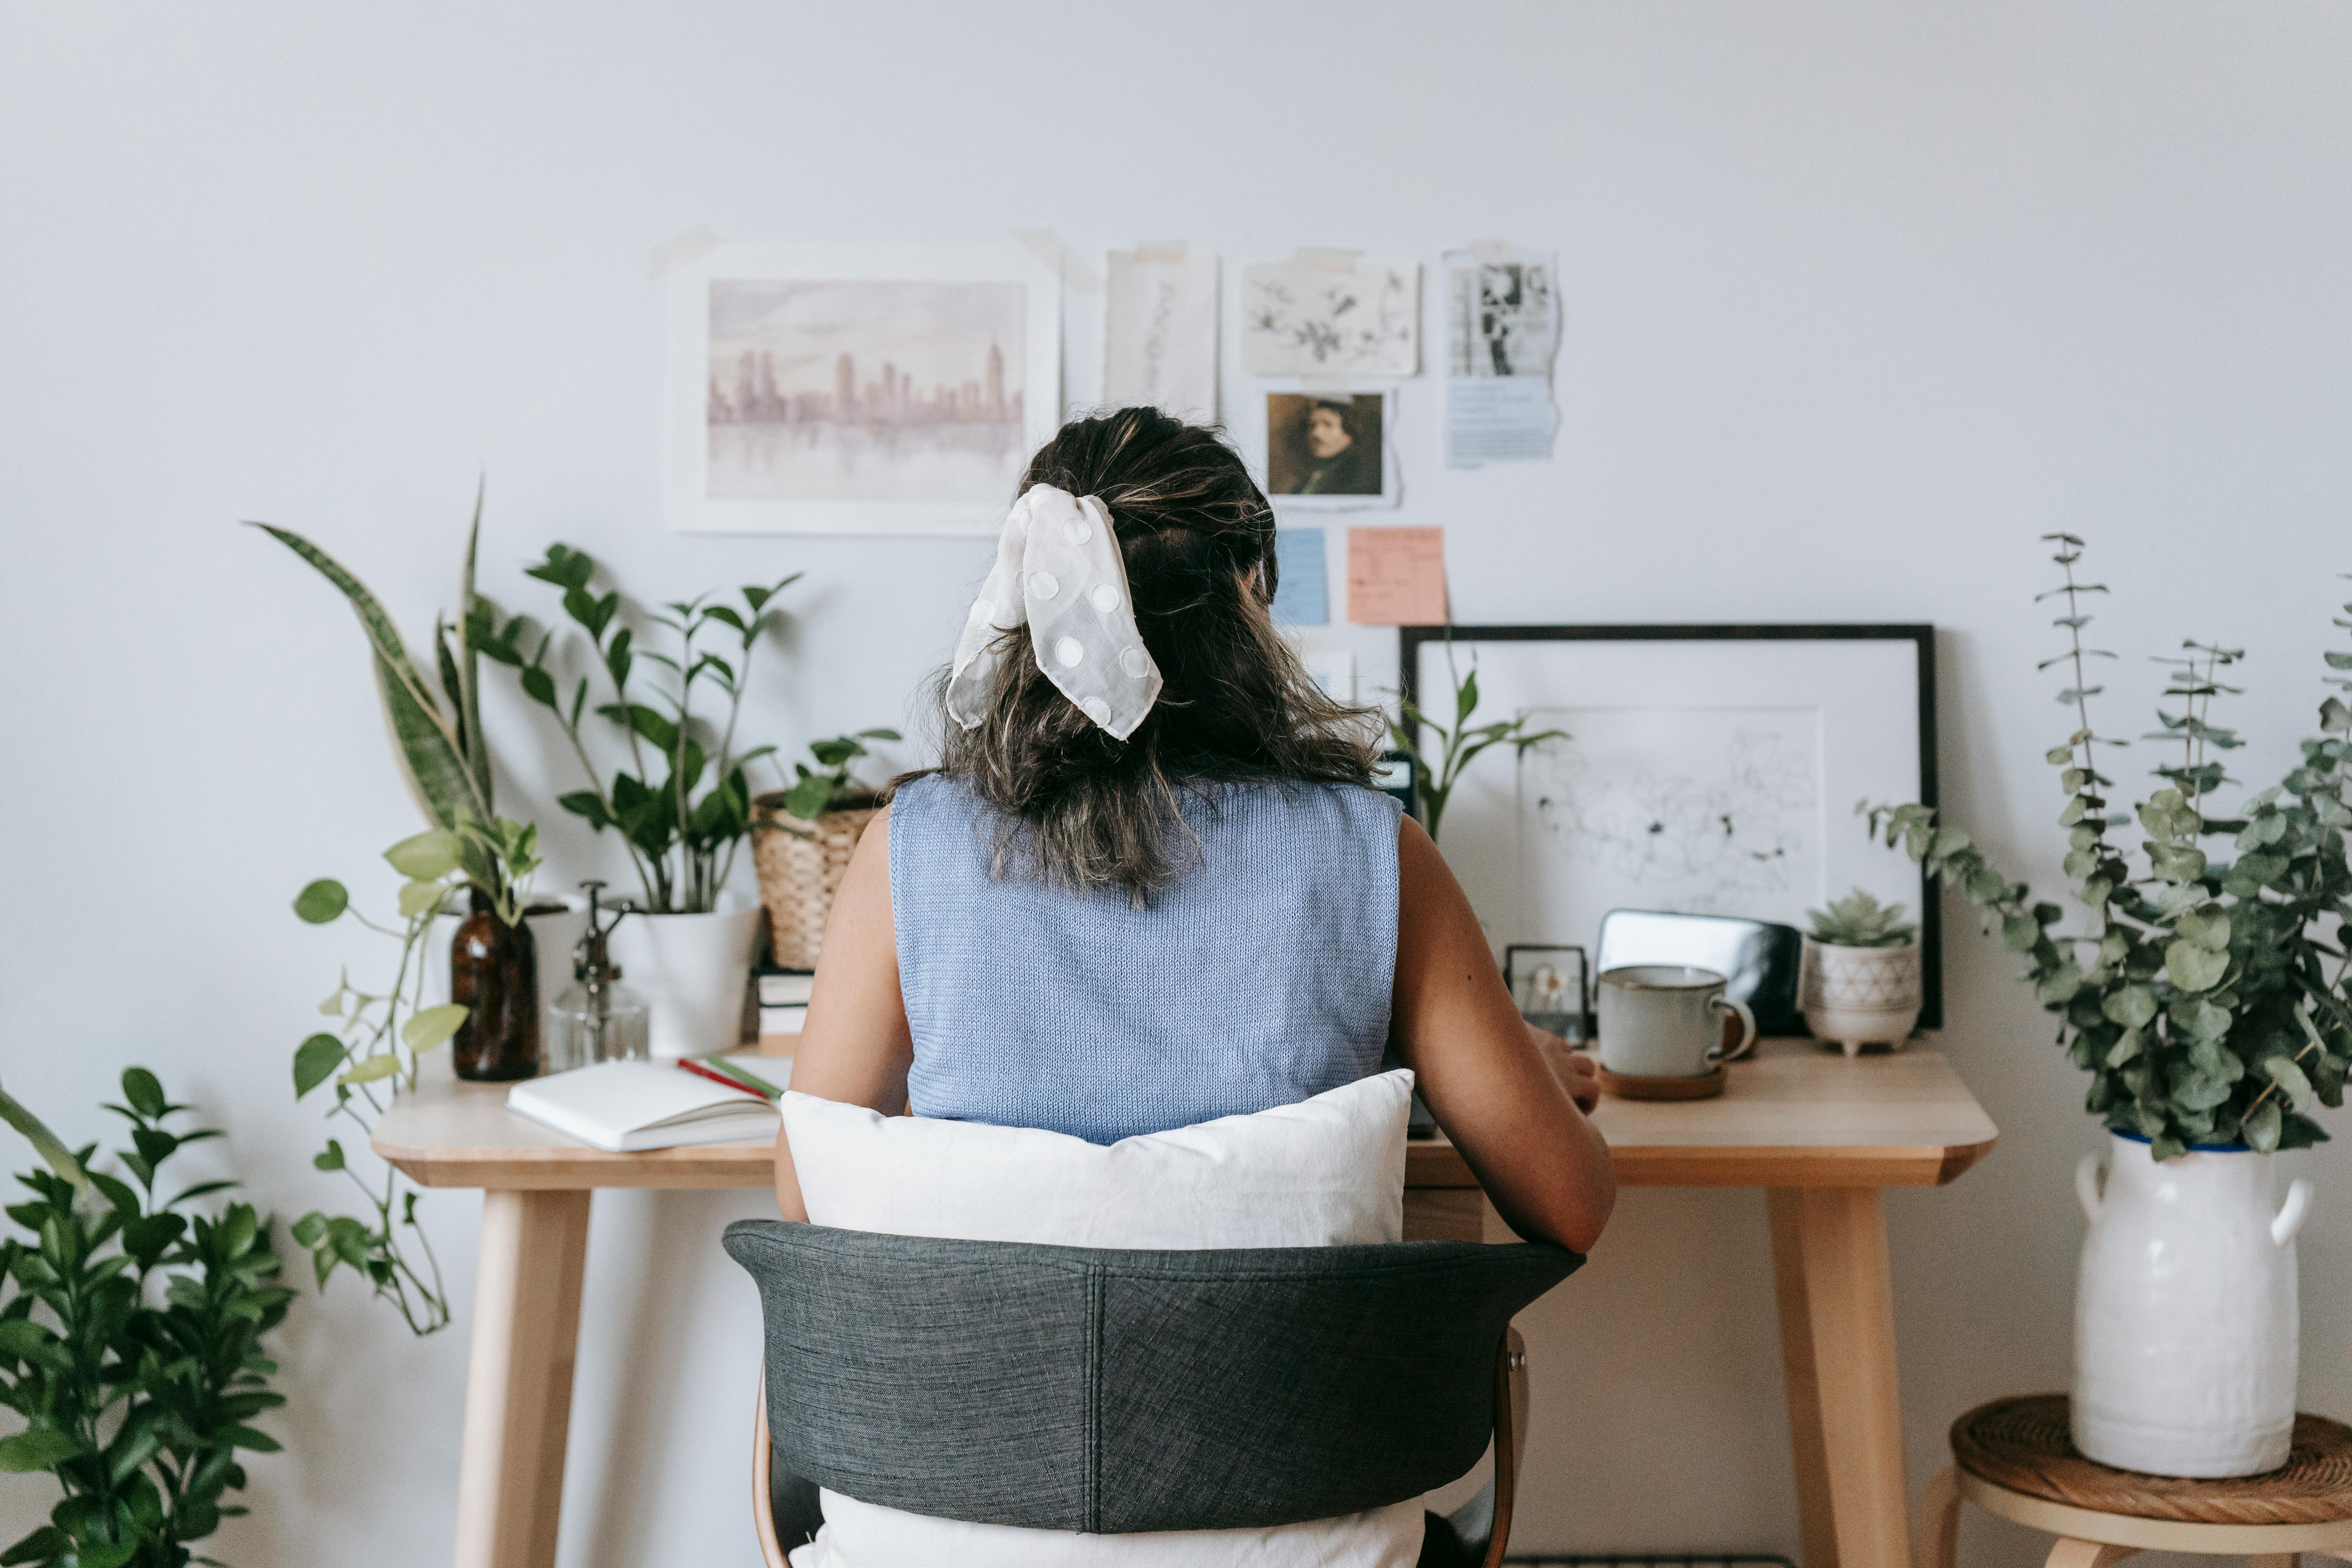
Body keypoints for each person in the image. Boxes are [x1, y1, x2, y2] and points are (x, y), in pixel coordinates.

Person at [773, 407, 1613, 1254]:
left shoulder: (906, 848)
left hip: (978, 1383)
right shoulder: (1377, 852)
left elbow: (805, 1189)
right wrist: (1507, 1068)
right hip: (1289, 1389)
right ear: (1249, 598)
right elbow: (1569, 1206)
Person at [1287, 397, 1380, 495]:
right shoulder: (1312, 475)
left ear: (1349, 432)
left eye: (1328, 425)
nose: (1316, 433)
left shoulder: (1358, 475)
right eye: (1312, 425)